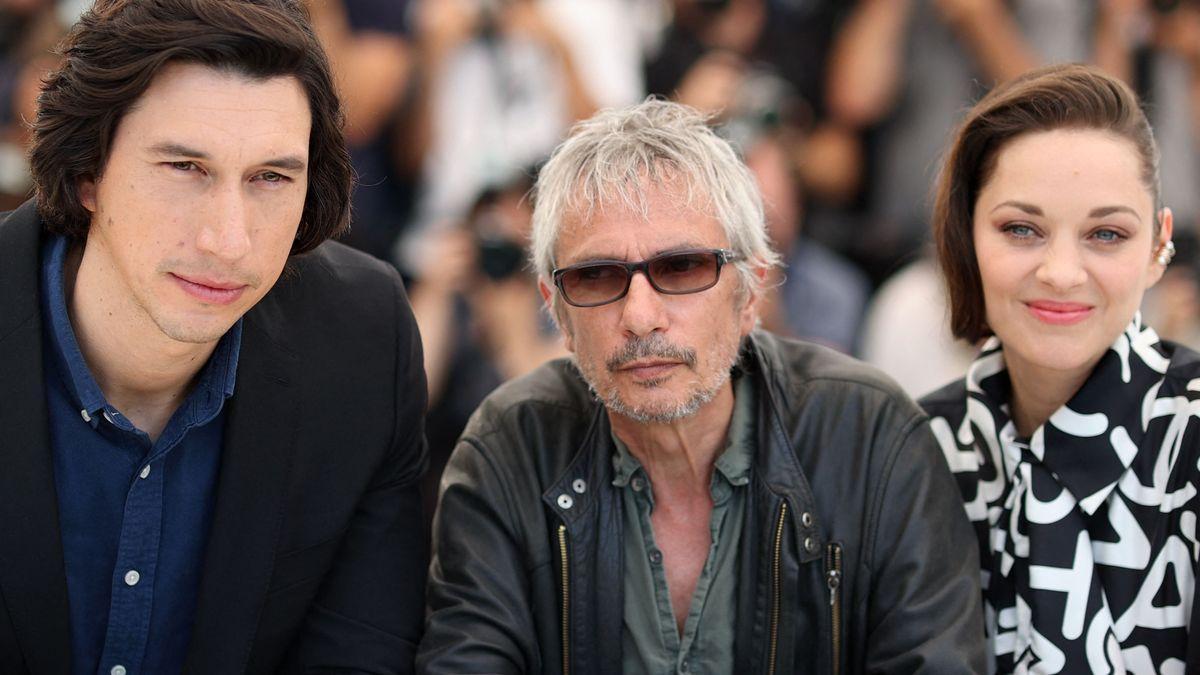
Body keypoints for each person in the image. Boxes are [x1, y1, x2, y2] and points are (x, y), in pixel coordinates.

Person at [420, 99, 984, 674]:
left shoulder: (870, 435)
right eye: (596, 276)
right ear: (556, 310)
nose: (641, 316)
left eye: (682, 267)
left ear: (751, 291)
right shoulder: (507, 448)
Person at [0, 0, 428, 672]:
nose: (228, 242)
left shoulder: (363, 340)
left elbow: (359, 651)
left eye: (270, 178)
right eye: (185, 169)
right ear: (89, 172)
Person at [920, 63, 1198, 673]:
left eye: (1106, 234)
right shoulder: (915, 449)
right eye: (1022, 229)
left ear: (1158, 245)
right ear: (967, 238)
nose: (1062, 273)